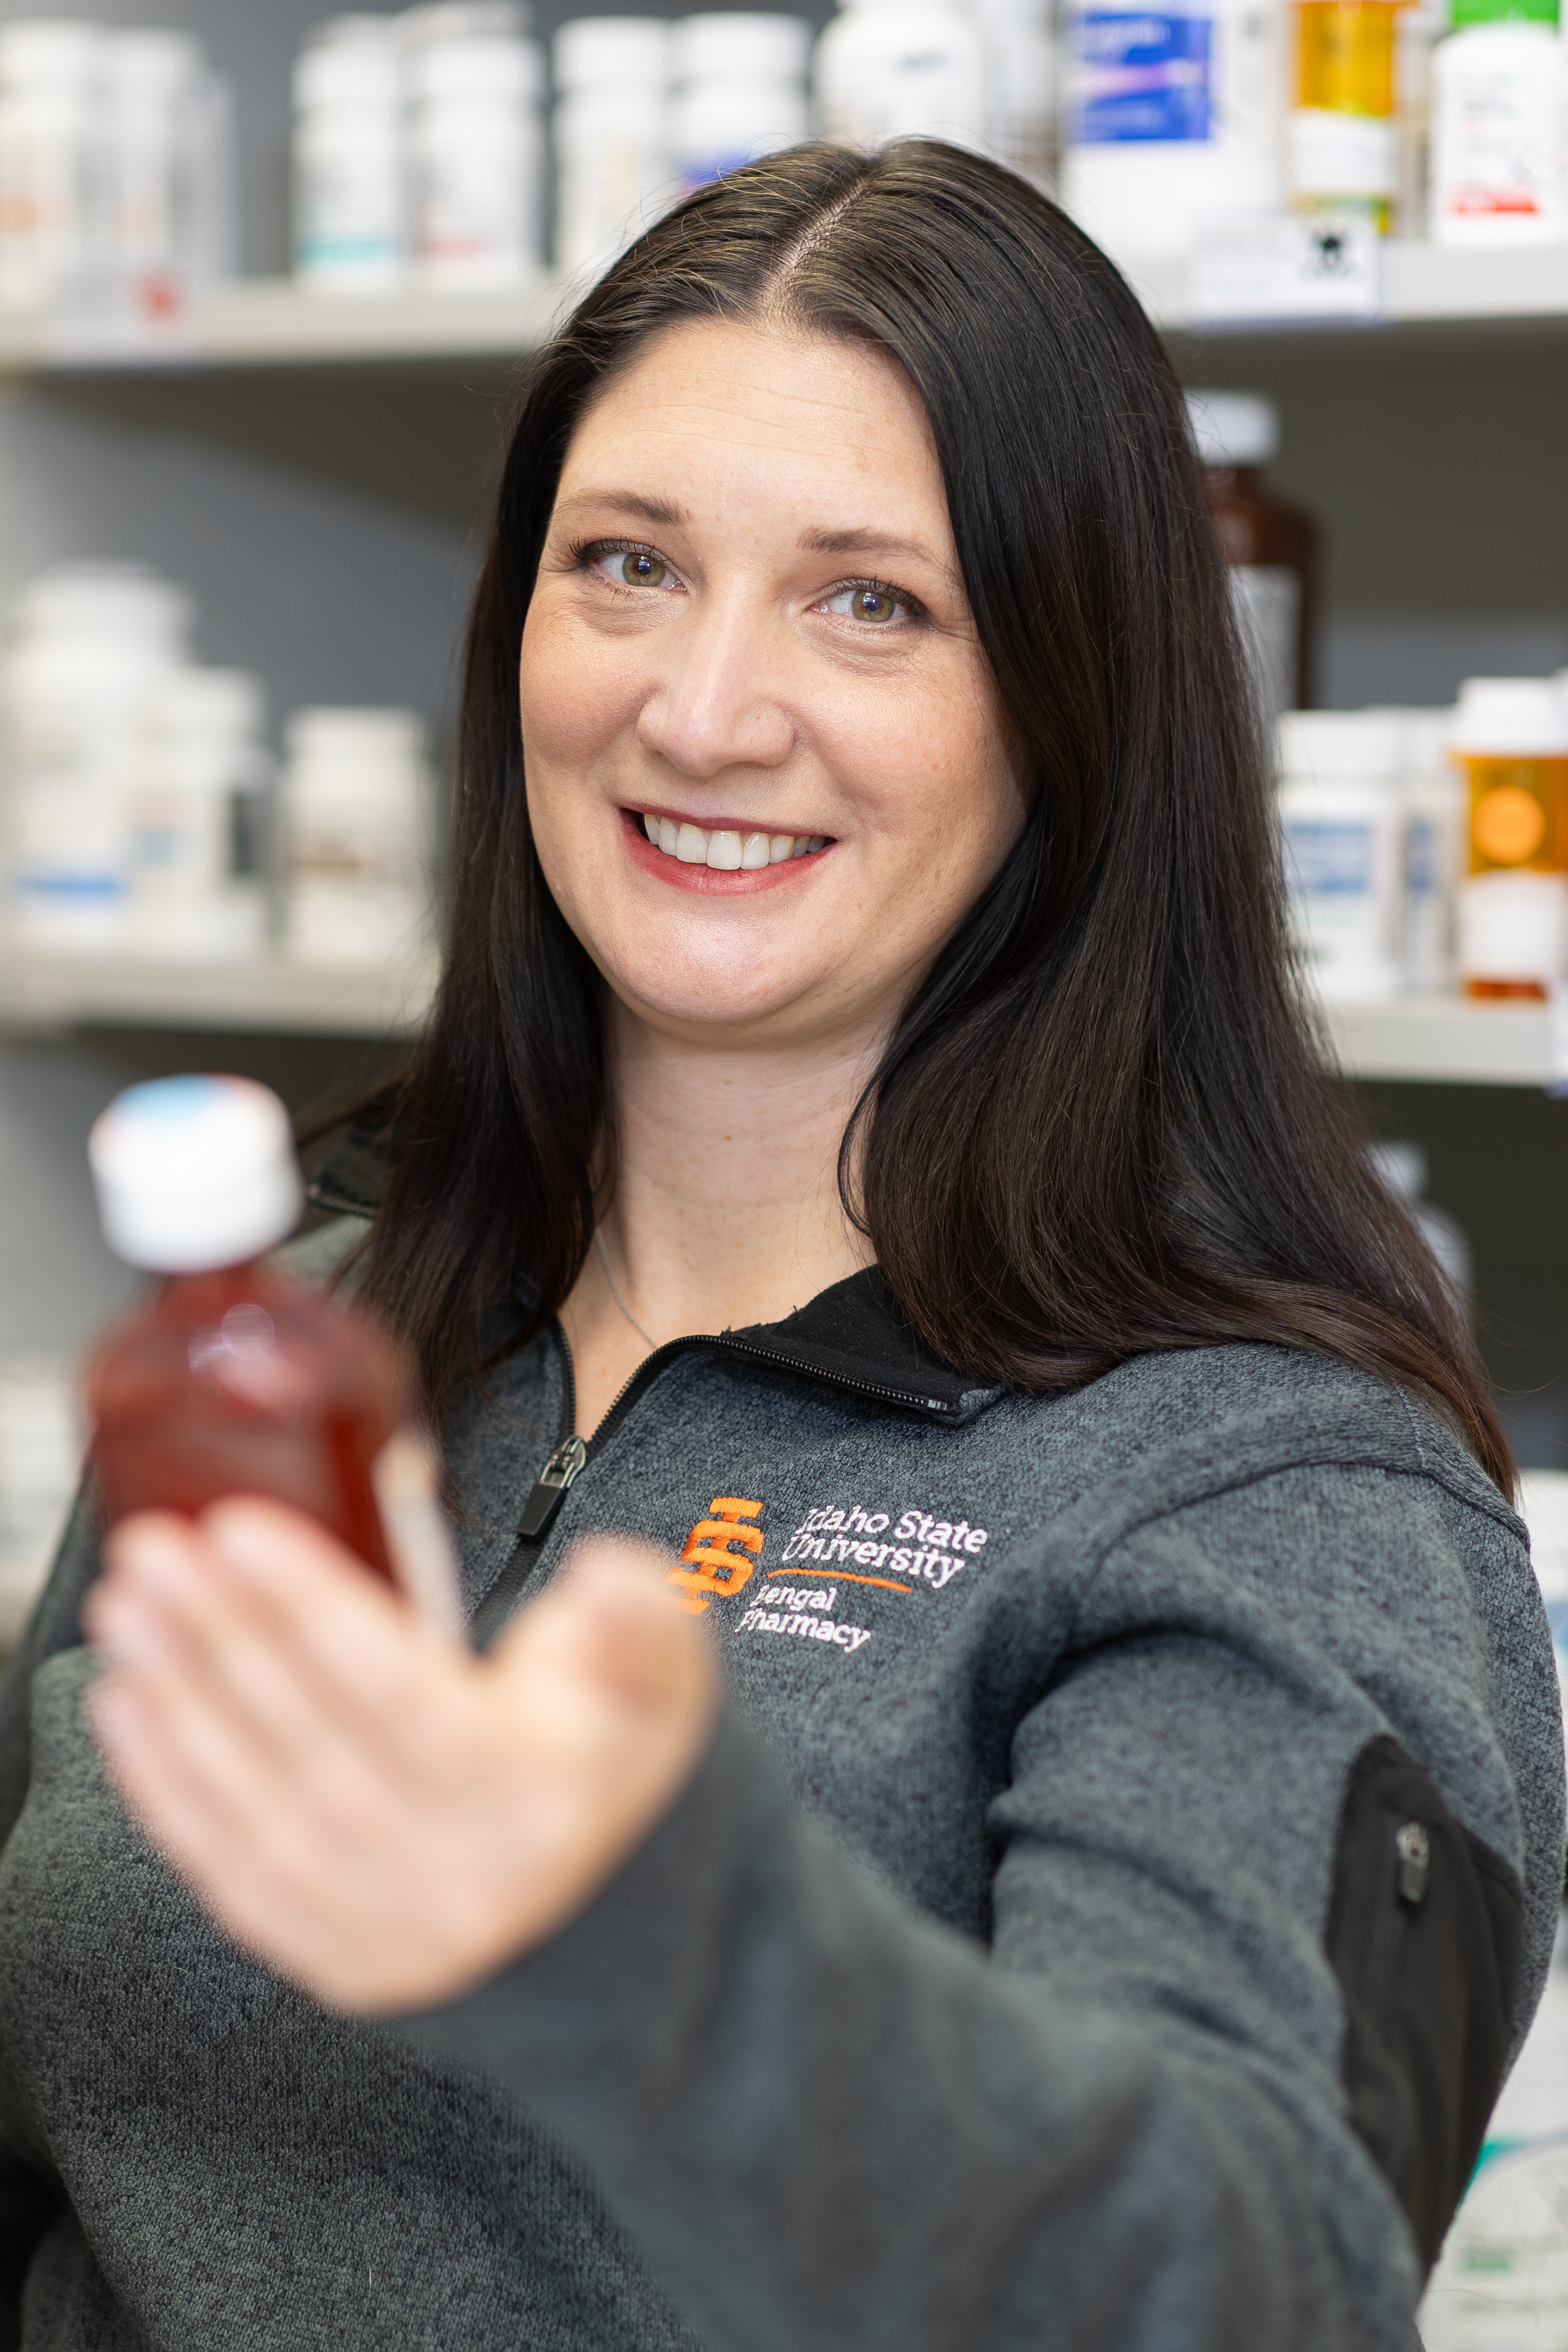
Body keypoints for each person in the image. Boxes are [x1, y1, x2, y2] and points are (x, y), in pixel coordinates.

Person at [1, 139, 1561, 2351]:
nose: (707, 708)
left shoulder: (1264, 1490)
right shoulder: (303, 1341)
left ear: (1070, 697)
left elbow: (1249, 2284)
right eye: (626, 563)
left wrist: (656, 1956)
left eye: (871, 601)